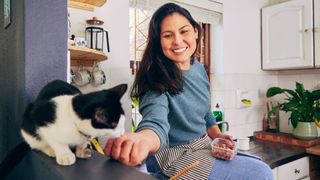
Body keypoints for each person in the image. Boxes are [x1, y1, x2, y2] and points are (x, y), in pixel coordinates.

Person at [104, 3, 273, 180]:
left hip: (203, 146)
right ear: (158, 41)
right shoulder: (154, 79)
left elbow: (205, 111)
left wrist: (218, 135)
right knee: (260, 173)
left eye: (184, 31)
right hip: (171, 155)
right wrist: (143, 141)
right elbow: (155, 122)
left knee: (259, 166)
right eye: (168, 35)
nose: (177, 41)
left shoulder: (198, 68)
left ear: (195, 32)